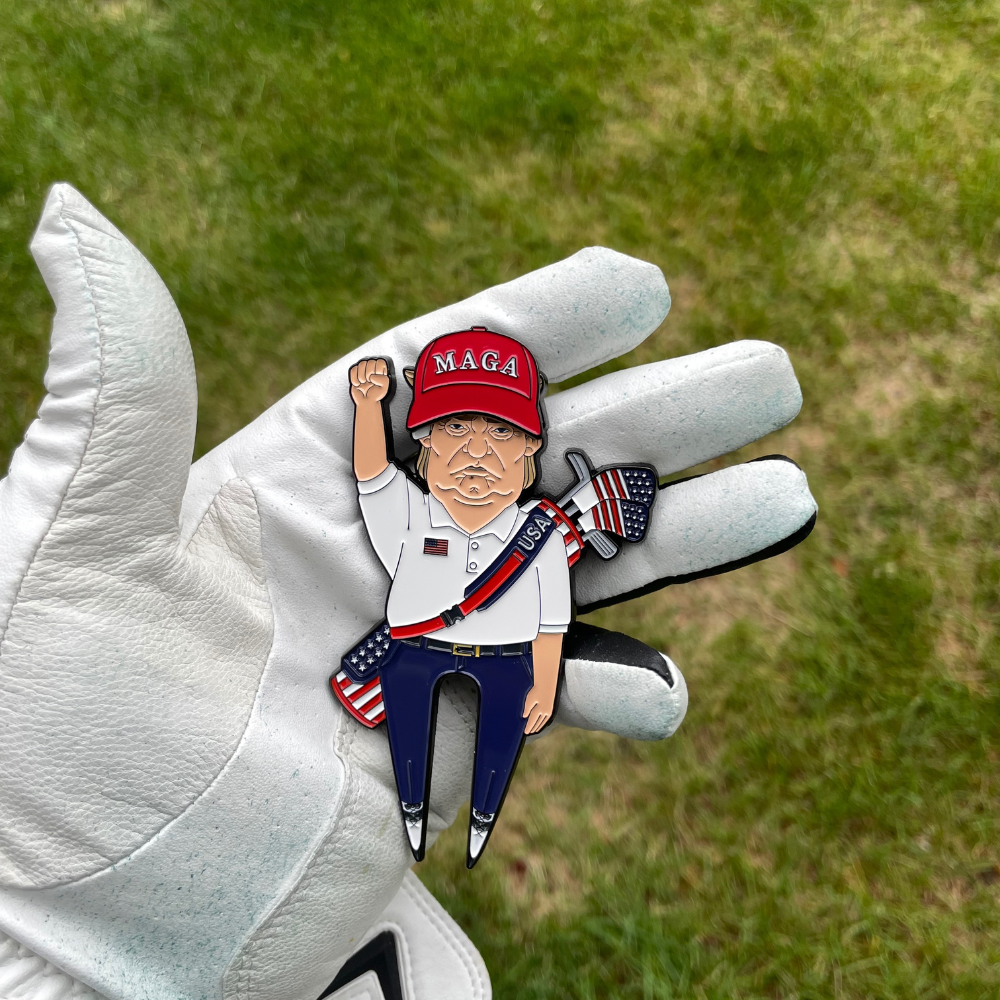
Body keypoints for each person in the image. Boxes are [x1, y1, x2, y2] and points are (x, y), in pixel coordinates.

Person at [349, 328, 570, 866]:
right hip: (414, 652)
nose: (476, 451)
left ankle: (483, 820)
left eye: (501, 431)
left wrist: (545, 684)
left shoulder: (539, 531)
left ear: (531, 444)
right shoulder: (412, 513)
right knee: (407, 745)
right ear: (424, 437)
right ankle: (411, 812)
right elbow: (372, 475)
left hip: (508, 659)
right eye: (455, 427)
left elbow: (552, 622)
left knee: (499, 748)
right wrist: (369, 407)